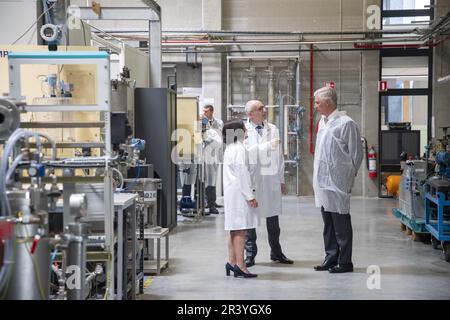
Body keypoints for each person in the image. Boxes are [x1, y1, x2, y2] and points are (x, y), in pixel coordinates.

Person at [312, 86, 363, 274]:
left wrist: (347, 176)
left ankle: (345, 262)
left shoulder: (346, 123)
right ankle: (331, 258)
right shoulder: (322, 123)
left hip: (338, 183)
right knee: (328, 224)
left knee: (341, 224)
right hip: (323, 182)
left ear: (327, 102)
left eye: (317, 102)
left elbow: (357, 155)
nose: (316, 106)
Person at [244, 100, 293, 268]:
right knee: (250, 220)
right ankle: (250, 255)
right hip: (252, 180)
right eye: (259, 109)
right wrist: (265, 146)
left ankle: (276, 252)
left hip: (270, 179)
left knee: (273, 220)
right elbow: (247, 154)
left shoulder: (273, 129)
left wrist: (281, 179)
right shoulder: (240, 130)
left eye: (263, 108)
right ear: (250, 114)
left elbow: (279, 156)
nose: (263, 110)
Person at [223, 119, 258, 278]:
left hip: (232, 193)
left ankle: (231, 262)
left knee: (233, 228)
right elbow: (242, 173)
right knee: (241, 230)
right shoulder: (239, 149)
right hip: (239, 194)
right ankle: (241, 266)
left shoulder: (230, 148)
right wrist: (250, 196)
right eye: (244, 127)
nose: (247, 129)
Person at [201, 104, 224, 214]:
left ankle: (212, 202)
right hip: (205, 155)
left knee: (213, 179)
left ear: (212, 111)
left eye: (206, 111)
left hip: (216, 154)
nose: (204, 113)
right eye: (203, 111)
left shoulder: (218, 123)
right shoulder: (202, 123)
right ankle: (209, 204)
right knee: (208, 180)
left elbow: (221, 138)